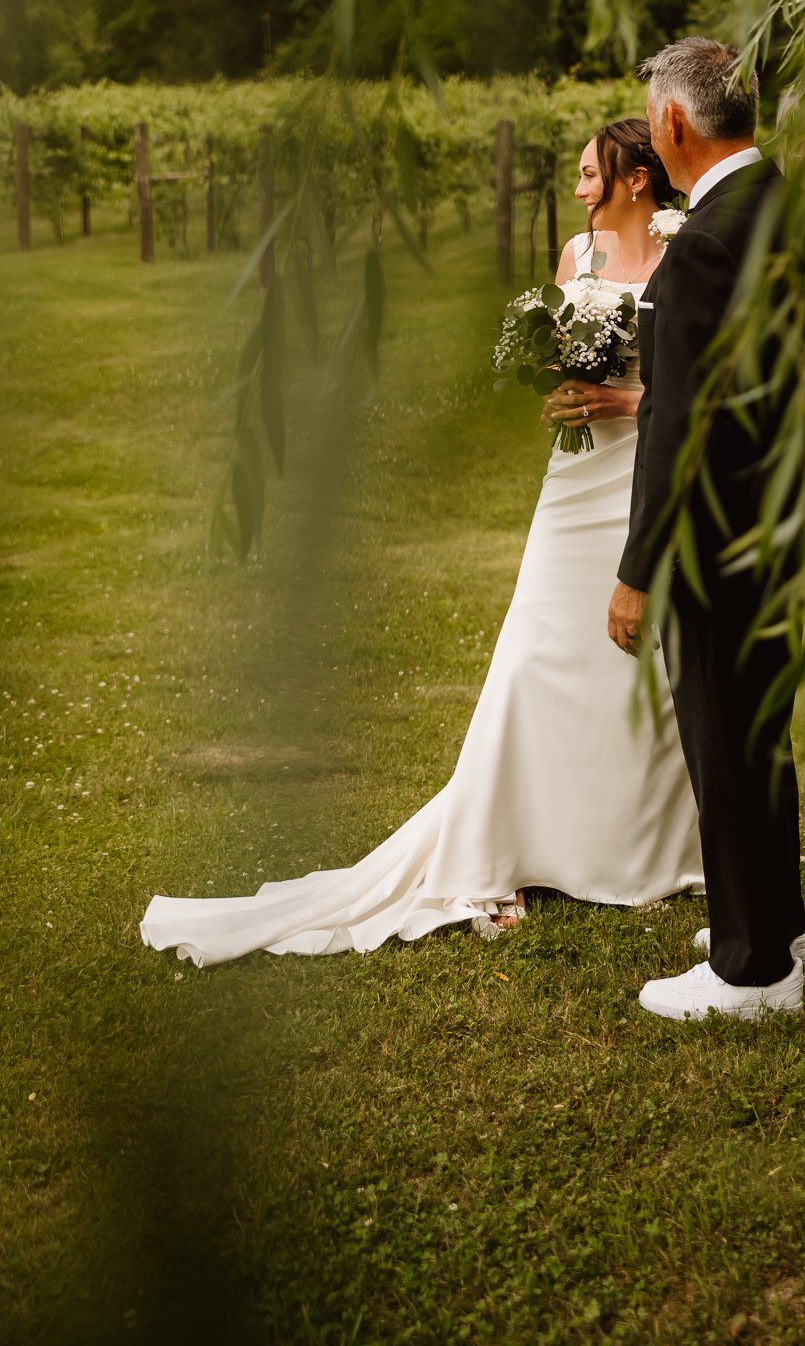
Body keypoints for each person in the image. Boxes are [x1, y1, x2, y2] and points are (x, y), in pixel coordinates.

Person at [141, 119, 703, 968]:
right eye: (578, 174)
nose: (580, 187)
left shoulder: (684, 253)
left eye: (592, 174)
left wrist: (624, 405)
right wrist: (553, 395)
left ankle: (646, 846)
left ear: (635, 178)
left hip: (644, 471)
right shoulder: (575, 257)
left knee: (644, 660)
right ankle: (501, 845)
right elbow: (558, 363)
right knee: (536, 652)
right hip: (575, 482)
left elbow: (691, 384)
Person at [607, 38, 805, 1022]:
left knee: (725, 735)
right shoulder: (794, 210)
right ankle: (769, 922)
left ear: (671, 124)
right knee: (756, 735)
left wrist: (637, 569)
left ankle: (754, 973)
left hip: (718, 535)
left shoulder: (702, 243)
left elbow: (678, 420)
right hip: (783, 518)